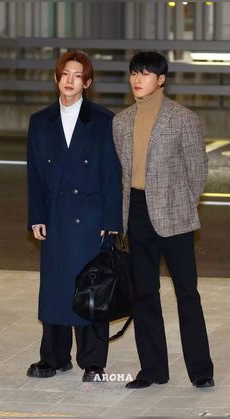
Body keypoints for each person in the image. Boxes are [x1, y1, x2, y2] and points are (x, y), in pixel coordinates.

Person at [113, 51, 214, 389]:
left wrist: (183, 206)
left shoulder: (182, 118)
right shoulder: (121, 121)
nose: (137, 79)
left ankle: (200, 370)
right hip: (137, 215)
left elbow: (197, 171)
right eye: (133, 73)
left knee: (187, 293)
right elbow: (124, 175)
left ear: (161, 79)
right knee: (144, 295)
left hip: (176, 216)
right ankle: (153, 370)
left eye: (144, 73)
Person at [26, 50, 122, 382]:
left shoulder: (102, 121)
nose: (70, 80)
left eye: (77, 75)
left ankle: (93, 361)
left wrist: (111, 224)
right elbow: (35, 176)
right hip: (54, 216)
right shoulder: (40, 122)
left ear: (87, 82)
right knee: (54, 287)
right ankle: (53, 357)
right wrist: (36, 215)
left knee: (91, 288)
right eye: (65, 74)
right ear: (57, 78)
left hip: (91, 219)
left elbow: (112, 177)